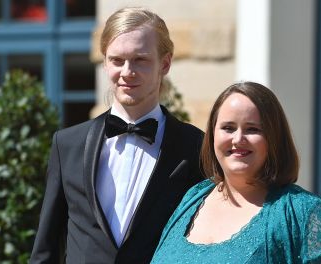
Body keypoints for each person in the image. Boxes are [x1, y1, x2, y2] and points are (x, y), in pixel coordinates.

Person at [30, 7, 204, 264]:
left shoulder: (195, 146)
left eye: (140, 59)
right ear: (104, 62)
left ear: (165, 64)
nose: (127, 71)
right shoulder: (67, 145)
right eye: (117, 60)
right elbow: (44, 250)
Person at [151, 82, 321, 263]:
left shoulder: (306, 214)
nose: (238, 139)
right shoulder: (193, 198)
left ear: (274, 138)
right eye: (228, 128)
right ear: (212, 135)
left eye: (252, 129)